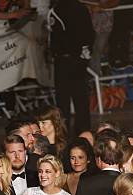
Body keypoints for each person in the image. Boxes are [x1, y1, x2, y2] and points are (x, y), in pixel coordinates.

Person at [48, 0, 94, 135]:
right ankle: (84, 132)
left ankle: (64, 133)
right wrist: (85, 52)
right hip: (80, 58)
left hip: (64, 59)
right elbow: (90, 33)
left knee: (63, 101)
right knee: (81, 99)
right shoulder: (81, 8)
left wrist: (55, 51)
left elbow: (56, 35)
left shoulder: (58, 10)